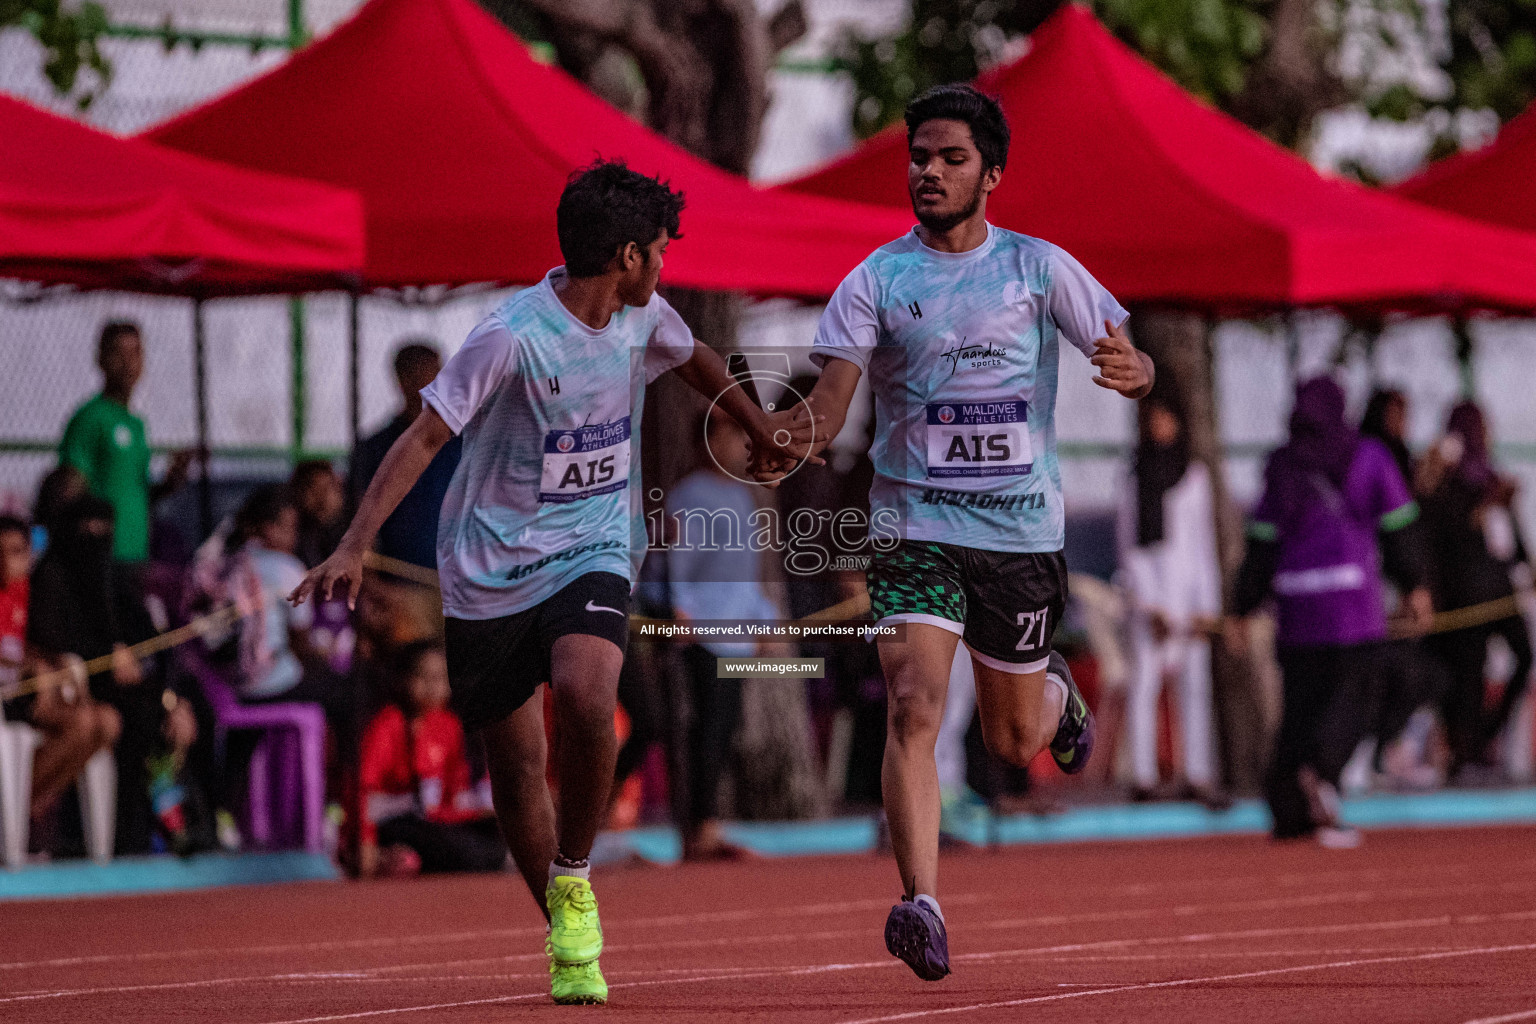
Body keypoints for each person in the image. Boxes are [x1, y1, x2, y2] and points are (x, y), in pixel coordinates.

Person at [292, 159, 815, 1005]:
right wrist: (355, 541)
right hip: (490, 571)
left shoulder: (644, 320)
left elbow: (701, 362)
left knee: (586, 689)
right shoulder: (512, 336)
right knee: (516, 763)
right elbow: (426, 437)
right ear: (628, 257)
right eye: (661, 253)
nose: (666, 267)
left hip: (594, 548)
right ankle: (566, 922)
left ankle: (576, 870)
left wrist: (760, 429)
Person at [753, 84, 1153, 981]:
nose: (928, 172)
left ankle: (1058, 698)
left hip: (1018, 537)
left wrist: (1136, 367)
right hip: (912, 529)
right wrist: (790, 441)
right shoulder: (876, 281)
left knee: (1014, 741)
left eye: (951, 158)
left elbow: (1128, 344)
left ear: (993, 174)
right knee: (914, 705)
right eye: (919, 157)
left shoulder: (1039, 270)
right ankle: (921, 902)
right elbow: (828, 406)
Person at [1227, 377, 1433, 847]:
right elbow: (1399, 529)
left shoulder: (1281, 466)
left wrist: (1242, 609)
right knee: (1355, 701)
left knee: (1298, 708)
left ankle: (1288, 810)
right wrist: (1416, 587)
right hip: (1352, 608)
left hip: (1296, 609)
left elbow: (1260, 544)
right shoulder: (1370, 456)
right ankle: (1320, 774)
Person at [27, 495, 198, 855]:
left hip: (133, 686)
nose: (95, 537)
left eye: (103, 528)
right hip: (84, 686)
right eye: (86, 528)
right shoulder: (52, 576)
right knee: (134, 720)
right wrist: (106, 657)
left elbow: (156, 641)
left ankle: (191, 822)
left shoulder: (112, 577)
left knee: (190, 713)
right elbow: (53, 641)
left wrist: (171, 696)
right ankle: (130, 835)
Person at [665, 409, 779, 860]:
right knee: (706, 728)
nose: (741, 446)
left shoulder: (743, 497)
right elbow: (679, 559)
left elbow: (745, 573)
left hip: (736, 633)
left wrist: (763, 622)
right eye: (732, 436)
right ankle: (698, 827)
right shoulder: (688, 496)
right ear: (707, 440)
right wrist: (681, 610)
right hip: (703, 632)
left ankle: (708, 822)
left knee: (726, 726)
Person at [1116, 394, 1223, 804]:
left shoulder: (1195, 477)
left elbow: (1203, 548)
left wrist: (1204, 610)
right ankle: (1143, 777)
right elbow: (1128, 547)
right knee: (1144, 683)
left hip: (1191, 600)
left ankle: (1196, 774)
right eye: (1151, 418)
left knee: (1194, 687)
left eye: (1165, 417)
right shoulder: (1131, 477)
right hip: (1150, 603)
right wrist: (1148, 606)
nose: (1158, 426)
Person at [1421, 401, 1533, 779]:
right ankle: (1465, 752)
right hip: (1464, 597)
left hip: (1500, 595)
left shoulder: (1492, 481)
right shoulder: (1447, 486)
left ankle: (1482, 738)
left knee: (1523, 655)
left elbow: (1511, 544)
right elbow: (1445, 538)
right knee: (1468, 674)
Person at [0, 514, 121, 831]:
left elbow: (32, 646)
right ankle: (15, 816)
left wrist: (57, 666)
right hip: (7, 700)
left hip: (29, 694)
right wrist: (30, 668)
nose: (5, 562)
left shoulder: (32, 590)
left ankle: (26, 808)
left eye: (15, 552)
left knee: (106, 722)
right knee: (81, 723)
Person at [357, 639, 503, 877]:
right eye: (424, 677)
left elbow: (452, 792)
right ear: (403, 680)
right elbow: (364, 792)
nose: (433, 686)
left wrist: (480, 811)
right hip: (397, 821)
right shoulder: (387, 725)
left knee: (491, 847)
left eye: (441, 678)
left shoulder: (449, 725)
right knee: (462, 854)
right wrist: (366, 844)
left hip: (436, 821)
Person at [59, 321, 195, 565]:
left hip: (136, 552)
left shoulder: (136, 424)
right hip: (100, 556)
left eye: (135, 353)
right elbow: (71, 488)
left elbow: (137, 494)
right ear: (101, 359)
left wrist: (171, 480)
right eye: (118, 354)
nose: (128, 363)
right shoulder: (89, 418)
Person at [349, 342, 462, 571]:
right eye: (422, 377)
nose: (434, 386)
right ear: (402, 381)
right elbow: (362, 520)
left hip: (461, 580)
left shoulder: (465, 440)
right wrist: (374, 584)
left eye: (438, 376)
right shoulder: (375, 448)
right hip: (400, 583)